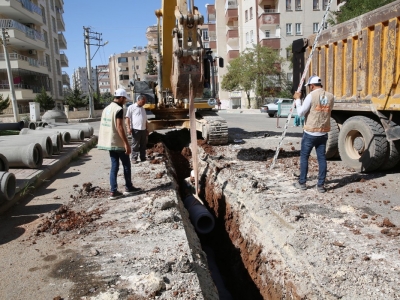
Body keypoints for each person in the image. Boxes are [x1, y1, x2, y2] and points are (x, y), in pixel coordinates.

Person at [293, 75, 334, 193]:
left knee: (304, 157)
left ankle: (302, 183)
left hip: (310, 133)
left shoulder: (311, 96)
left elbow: (300, 113)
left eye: (309, 87)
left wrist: (297, 99)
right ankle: (320, 185)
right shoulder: (330, 96)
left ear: (311, 86)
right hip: (323, 133)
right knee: (322, 158)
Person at [97, 88, 140, 199]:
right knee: (126, 164)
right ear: (121, 98)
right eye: (125, 99)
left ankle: (113, 191)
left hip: (110, 142)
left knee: (114, 166)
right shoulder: (118, 109)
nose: (125, 101)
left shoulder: (107, 108)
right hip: (118, 142)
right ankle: (128, 187)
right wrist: (126, 143)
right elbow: (119, 127)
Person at [125, 94, 148, 164]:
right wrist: (128, 128)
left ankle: (143, 157)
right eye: (143, 102)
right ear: (139, 100)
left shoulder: (143, 109)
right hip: (136, 129)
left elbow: (145, 120)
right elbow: (127, 118)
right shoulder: (131, 107)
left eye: (145, 102)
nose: (144, 103)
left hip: (143, 129)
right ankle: (134, 158)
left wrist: (147, 129)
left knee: (143, 144)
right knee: (135, 144)